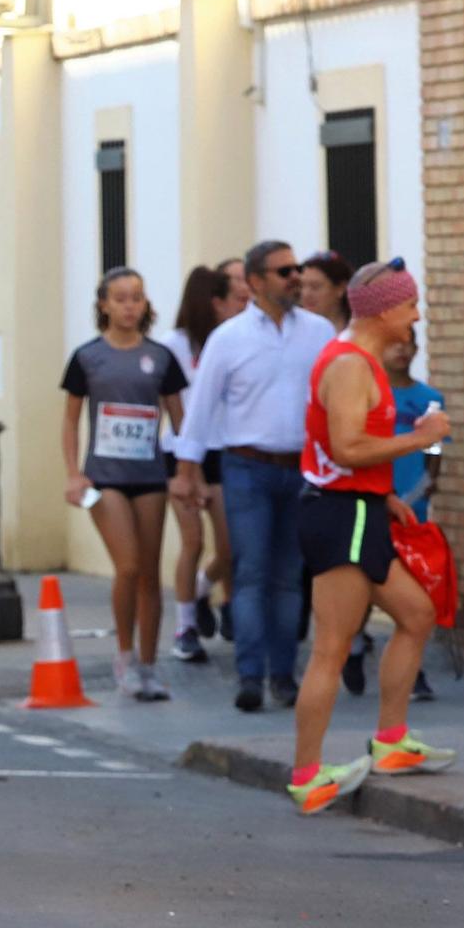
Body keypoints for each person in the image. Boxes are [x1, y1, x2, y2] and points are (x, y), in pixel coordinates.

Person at [288, 259, 455, 813]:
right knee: (332, 649)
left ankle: (390, 742)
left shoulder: (363, 361)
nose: (417, 315)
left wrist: (380, 494)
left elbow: (339, 456)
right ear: (384, 311)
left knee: (417, 615)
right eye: (410, 305)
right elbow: (346, 448)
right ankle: (308, 776)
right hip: (341, 517)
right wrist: (421, 438)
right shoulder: (351, 366)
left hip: (358, 508)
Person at [173, 240, 336, 712]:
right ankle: (249, 675)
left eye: (298, 269)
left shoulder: (319, 332)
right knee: (251, 573)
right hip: (247, 467)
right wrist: (188, 471)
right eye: (285, 271)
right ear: (257, 281)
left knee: (289, 577)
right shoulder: (230, 338)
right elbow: (201, 408)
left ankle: (283, 676)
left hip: (302, 468)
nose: (296, 278)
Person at [63, 268, 186, 701]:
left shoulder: (160, 357)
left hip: (149, 476)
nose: (129, 306)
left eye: (136, 297)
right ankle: (124, 655)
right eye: (120, 298)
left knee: (150, 573)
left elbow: (178, 416)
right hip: (105, 478)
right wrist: (73, 474)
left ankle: (150, 665)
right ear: (104, 305)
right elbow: (71, 419)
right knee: (128, 565)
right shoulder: (87, 357)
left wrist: (184, 471)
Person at [344, 333, 445, 702]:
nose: (400, 350)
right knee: (366, 581)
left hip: (410, 506)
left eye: (408, 344)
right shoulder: (369, 396)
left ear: (417, 349)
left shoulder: (429, 400)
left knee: (411, 591)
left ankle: (413, 672)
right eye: (394, 343)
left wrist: (418, 492)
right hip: (372, 500)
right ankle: (353, 646)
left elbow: (435, 459)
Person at [163, 267, 234, 662]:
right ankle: (185, 624)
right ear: (210, 302)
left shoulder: (229, 341)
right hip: (182, 452)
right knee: (193, 541)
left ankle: (206, 589)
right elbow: (172, 405)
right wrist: (185, 469)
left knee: (229, 546)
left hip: (223, 449)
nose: (231, 307)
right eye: (225, 299)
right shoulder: (174, 345)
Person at [299, 251, 354, 333]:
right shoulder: (296, 332)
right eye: (301, 286)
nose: (305, 294)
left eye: (315, 287)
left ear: (341, 288)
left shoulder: (360, 332)